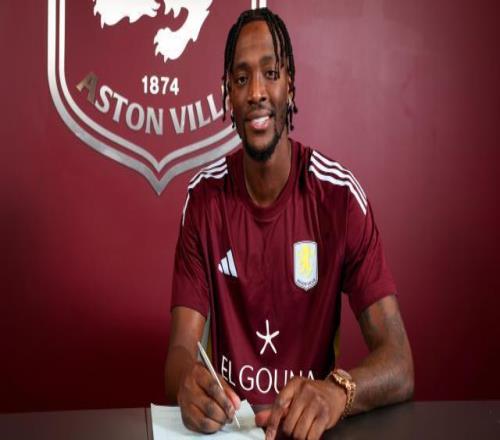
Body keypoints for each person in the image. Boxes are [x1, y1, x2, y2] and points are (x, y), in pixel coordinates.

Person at [165, 7, 414, 440]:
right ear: (227, 94)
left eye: (270, 73)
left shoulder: (338, 198)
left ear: (291, 85)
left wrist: (336, 393)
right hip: (232, 433)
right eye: (241, 78)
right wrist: (189, 384)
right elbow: (180, 352)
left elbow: (400, 363)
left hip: (310, 432)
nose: (256, 92)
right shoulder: (204, 200)